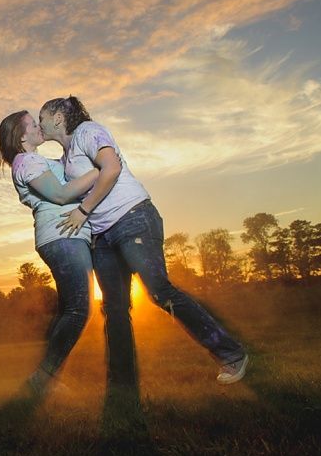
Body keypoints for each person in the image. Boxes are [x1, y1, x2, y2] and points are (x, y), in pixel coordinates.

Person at [38, 96, 250, 385]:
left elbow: (111, 169)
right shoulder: (65, 158)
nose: (40, 123)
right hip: (102, 236)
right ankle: (122, 384)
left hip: (132, 218)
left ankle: (232, 354)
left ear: (59, 117)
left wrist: (83, 211)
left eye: (42, 117)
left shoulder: (88, 131)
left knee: (159, 290)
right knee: (114, 308)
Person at [0, 110, 100, 398]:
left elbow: (69, 169)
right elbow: (61, 195)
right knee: (79, 310)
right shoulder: (25, 161)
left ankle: (46, 380)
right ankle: (42, 380)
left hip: (67, 236)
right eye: (32, 123)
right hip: (61, 237)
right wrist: (101, 170)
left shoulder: (38, 160)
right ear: (21, 135)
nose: (38, 126)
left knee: (69, 310)